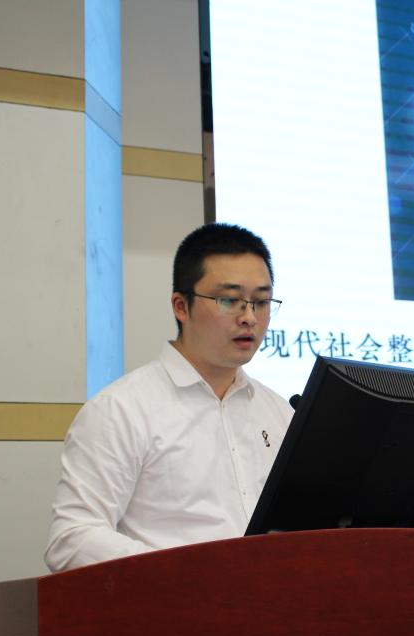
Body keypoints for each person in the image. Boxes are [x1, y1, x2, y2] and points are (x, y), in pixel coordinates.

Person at [44, 223, 293, 572]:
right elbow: (72, 539)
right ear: (181, 306)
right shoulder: (122, 410)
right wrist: (185, 573)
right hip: (173, 600)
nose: (249, 317)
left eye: (261, 302)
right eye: (229, 300)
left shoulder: (278, 412)